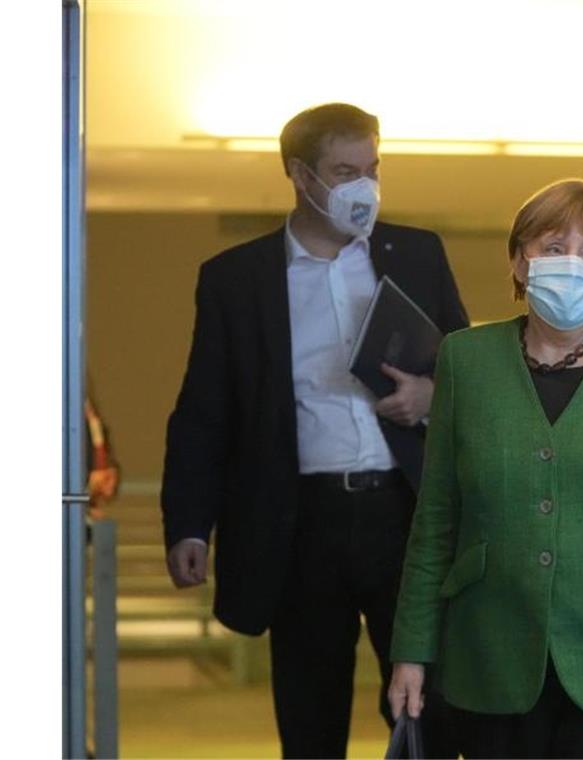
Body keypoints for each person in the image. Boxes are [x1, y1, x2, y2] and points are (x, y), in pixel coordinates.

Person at [160, 103, 469, 759]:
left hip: (404, 513)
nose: (365, 185)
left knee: (426, 713)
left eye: (373, 167)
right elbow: (204, 412)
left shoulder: (417, 253)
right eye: (345, 170)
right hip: (297, 522)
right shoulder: (235, 280)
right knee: (309, 717)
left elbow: (472, 377)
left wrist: (432, 395)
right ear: (302, 175)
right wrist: (189, 522)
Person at [386, 178, 583, 759]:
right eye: (553, 246)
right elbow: (437, 517)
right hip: (491, 655)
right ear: (518, 259)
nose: (572, 265)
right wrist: (411, 651)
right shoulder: (465, 358)